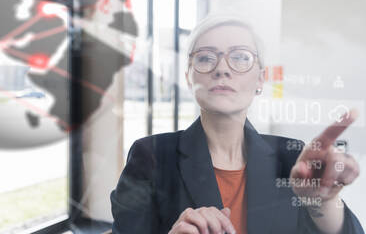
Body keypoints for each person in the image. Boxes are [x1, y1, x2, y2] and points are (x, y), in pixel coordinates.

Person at [110, 15, 364, 234]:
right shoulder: (151, 155)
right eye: (206, 58)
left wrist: (324, 202)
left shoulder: (292, 156)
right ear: (188, 77)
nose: (222, 68)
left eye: (241, 57)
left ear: (260, 80)